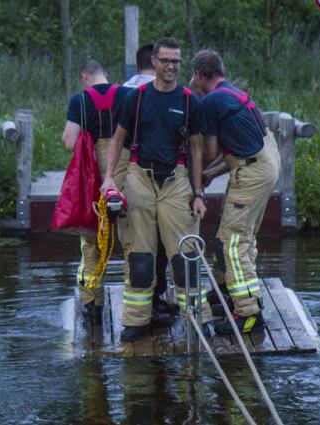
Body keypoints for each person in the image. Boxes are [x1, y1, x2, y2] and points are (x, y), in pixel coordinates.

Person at [101, 37, 212, 342]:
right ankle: (137, 320)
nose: (171, 67)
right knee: (140, 256)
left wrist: (198, 193)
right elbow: (117, 139)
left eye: (176, 61)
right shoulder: (135, 98)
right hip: (139, 177)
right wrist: (109, 178)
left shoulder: (189, 100)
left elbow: (196, 149)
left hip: (176, 181)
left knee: (184, 255)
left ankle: (199, 319)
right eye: (165, 60)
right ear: (154, 62)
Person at [191, 49, 281, 334]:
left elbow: (211, 151)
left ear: (199, 75)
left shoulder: (211, 101)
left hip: (253, 170)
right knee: (232, 234)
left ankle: (249, 312)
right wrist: (207, 176)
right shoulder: (230, 93)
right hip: (263, 162)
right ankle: (224, 293)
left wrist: (193, 177)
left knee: (232, 241)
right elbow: (232, 155)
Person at [61, 59, 133, 323]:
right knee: (132, 239)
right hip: (125, 169)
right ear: (106, 74)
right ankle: (136, 311)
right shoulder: (128, 95)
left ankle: (93, 307)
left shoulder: (79, 101)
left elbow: (70, 141)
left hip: (93, 173)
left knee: (91, 241)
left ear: (84, 77)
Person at [122, 44, 177, 318]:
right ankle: (158, 299)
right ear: (154, 62)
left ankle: (138, 312)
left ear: (136, 63)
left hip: (130, 178)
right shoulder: (166, 95)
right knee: (168, 245)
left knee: (138, 247)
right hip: (167, 178)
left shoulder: (124, 92)